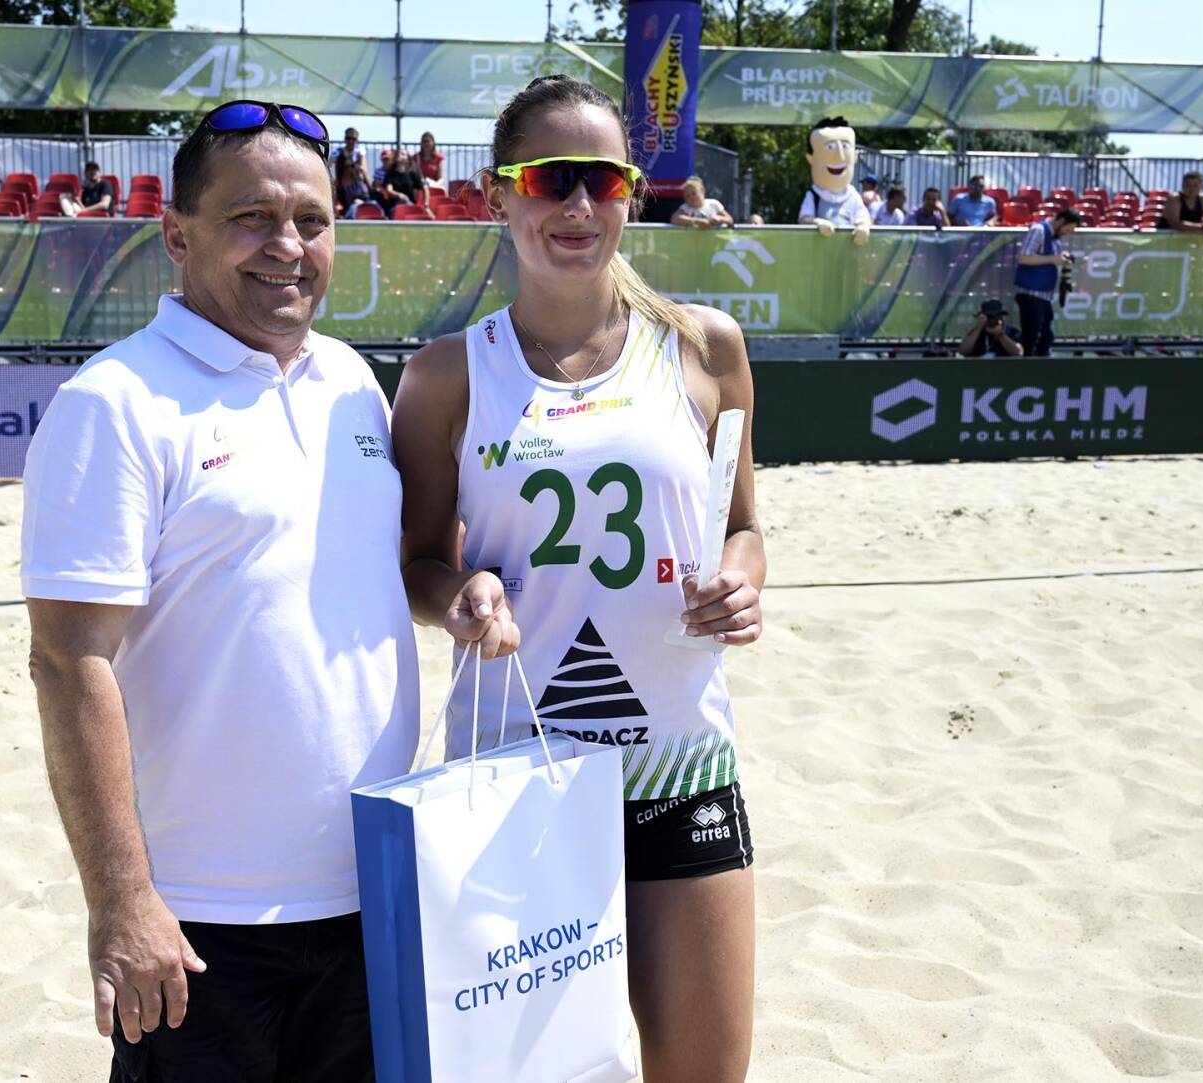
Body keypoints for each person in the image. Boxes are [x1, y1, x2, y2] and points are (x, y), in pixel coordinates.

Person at [20, 99, 419, 1081]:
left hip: (373, 893)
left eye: (312, 221)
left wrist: (469, 595)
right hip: (200, 924)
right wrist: (123, 901)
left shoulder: (351, 384)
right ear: (177, 236)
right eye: (251, 218)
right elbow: (68, 661)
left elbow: (380, 579)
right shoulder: (115, 402)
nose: (287, 246)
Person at [392, 74, 764, 1083]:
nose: (577, 205)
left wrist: (741, 583)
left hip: (680, 767)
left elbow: (741, 529)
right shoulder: (445, 376)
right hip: (518, 779)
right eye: (549, 179)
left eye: (602, 180)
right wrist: (460, 598)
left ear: (631, 193)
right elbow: (417, 563)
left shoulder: (705, 348)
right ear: (497, 195)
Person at [1013, 206, 1080, 357]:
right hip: (1031, 294)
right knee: (1031, 338)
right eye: (1068, 229)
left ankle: (1041, 366)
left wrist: (1063, 257)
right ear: (1061, 221)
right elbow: (1024, 257)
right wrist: (1053, 259)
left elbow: (1050, 256)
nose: (1068, 233)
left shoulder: (1055, 238)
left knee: (1046, 337)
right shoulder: (1039, 231)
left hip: (1043, 295)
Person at [797, 116, 871, 244]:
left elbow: (863, 217)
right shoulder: (814, 195)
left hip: (847, 250)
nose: (839, 156)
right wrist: (816, 223)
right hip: (821, 250)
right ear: (811, 159)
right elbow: (804, 219)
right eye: (830, 147)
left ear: (855, 156)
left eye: (845, 146)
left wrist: (863, 227)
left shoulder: (853, 195)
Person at [1161, 171, 1203, 241]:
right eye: (1187, 185)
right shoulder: (1174, 198)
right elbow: (1175, 224)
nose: (1191, 189)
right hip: (1165, 239)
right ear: (1182, 185)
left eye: (1195, 186)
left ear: (1202, 186)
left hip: (1187, 238)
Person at [957, 299, 1024, 357]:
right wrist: (978, 329)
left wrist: (1001, 336)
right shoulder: (977, 333)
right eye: (989, 316)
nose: (992, 319)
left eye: (996, 316)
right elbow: (962, 351)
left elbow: (1018, 352)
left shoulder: (1011, 332)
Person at [375, 145, 423, 214]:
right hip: (395, 205)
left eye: (403, 154)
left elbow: (421, 188)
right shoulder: (390, 173)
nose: (400, 155)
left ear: (407, 159)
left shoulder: (412, 173)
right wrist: (400, 195)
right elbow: (389, 190)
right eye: (398, 154)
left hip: (410, 203)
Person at [334, 153, 374, 217]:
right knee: (354, 208)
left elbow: (371, 195)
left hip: (365, 208)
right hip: (350, 213)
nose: (352, 169)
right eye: (348, 167)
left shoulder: (360, 181)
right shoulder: (338, 186)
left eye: (353, 166)